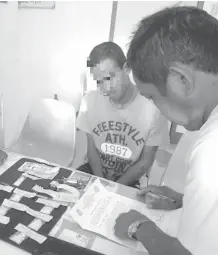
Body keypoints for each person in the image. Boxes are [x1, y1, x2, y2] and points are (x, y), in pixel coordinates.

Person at [114, 6, 218, 255]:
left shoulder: (211, 151)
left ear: (181, 80)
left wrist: (140, 227)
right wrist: (186, 200)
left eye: (151, 97)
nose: (158, 110)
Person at [76, 42, 169, 188]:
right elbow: (92, 149)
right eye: (99, 82)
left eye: (109, 78)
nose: (105, 88)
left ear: (126, 68)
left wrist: (115, 187)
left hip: (132, 177)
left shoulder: (153, 108)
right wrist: (102, 182)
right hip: (95, 170)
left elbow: (146, 161)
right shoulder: (90, 101)